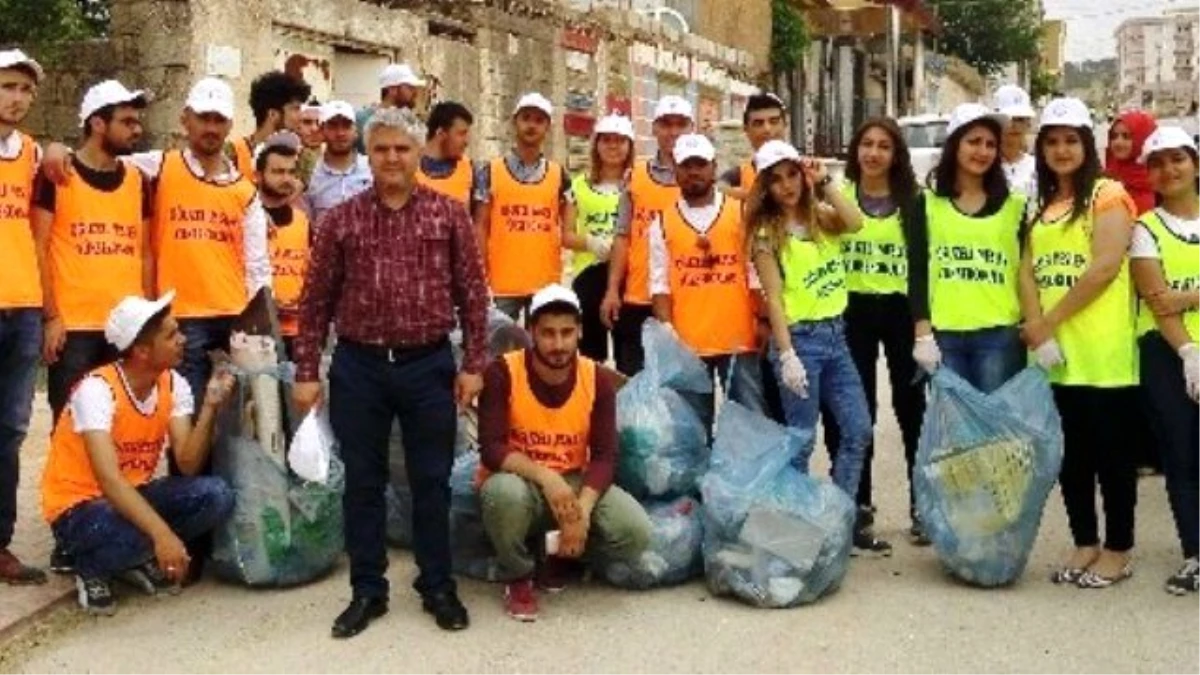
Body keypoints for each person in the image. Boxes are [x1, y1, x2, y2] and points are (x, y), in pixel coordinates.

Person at [293, 107, 488, 639]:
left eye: (402, 148)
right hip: (360, 366)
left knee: (431, 481)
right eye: (381, 149)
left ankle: (437, 585)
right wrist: (307, 371)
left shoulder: (449, 216)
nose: (393, 158)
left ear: (418, 151)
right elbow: (314, 303)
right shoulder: (341, 219)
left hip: (428, 366)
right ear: (367, 154)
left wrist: (474, 365)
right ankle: (367, 591)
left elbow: (474, 296)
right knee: (363, 483)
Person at [40, 292, 236, 615]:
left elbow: (187, 464)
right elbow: (110, 481)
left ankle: (131, 557)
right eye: (171, 334)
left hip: (132, 497)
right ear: (142, 351)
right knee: (135, 532)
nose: (183, 340)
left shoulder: (174, 384)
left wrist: (211, 407)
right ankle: (87, 565)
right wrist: (163, 536)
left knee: (218, 496)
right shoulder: (97, 390)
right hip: (78, 510)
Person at [476, 283, 651, 622]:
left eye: (567, 333)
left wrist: (582, 510)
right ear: (531, 333)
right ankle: (518, 574)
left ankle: (557, 553)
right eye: (548, 334)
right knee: (502, 494)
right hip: (522, 480)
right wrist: (546, 478)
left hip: (573, 482)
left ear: (580, 332)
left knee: (635, 533)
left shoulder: (597, 379)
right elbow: (492, 448)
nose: (558, 344)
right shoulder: (503, 372)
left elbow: (604, 456)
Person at [1020, 97, 1139, 589]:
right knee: (1071, 457)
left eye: (1070, 140)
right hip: (1054, 357)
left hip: (1104, 354)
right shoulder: (1041, 203)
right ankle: (1085, 541)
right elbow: (1025, 269)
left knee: (1112, 457)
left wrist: (1049, 322)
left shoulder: (1108, 195)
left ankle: (1118, 549)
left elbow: (1105, 268)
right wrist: (1035, 326)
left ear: (1086, 145)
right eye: (1051, 141)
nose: (1061, 150)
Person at [747, 140, 871, 519]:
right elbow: (774, 299)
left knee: (857, 429)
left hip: (836, 337)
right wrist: (786, 355)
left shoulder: (819, 216)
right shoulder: (767, 234)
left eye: (792, 175)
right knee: (801, 441)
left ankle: (838, 515)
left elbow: (856, 222)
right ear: (765, 188)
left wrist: (825, 182)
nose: (787, 186)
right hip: (801, 342)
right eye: (776, 180)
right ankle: (795, 521)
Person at [823, 118, 926, 551]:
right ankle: (857, 504)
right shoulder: (840, 197)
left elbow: (922, 265)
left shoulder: (913, 202)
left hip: (901, 311)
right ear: (855, 150)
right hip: (854, 310)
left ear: (896, 154)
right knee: (853, 409)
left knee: (913, 409)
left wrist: (925, 324)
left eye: (884, 146)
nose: (874, 153)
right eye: (866, 144)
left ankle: (924, 506)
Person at [32, 80, 152, 423]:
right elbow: (39, 246)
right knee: (71, 426)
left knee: (122, 424)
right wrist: (51, 316)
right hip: (75, 328)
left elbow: (144, 253)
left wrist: (147, 317)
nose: (137, 129)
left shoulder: (137, 179)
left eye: (137, 121)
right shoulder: (58, 175)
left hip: (125, 326)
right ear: (98, 124)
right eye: (127, 122)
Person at [905, 103, 1027, 393]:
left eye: (990, 144)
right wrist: (922, 332)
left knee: (994, 432)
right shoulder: (927, 204)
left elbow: (1025, 273)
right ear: (954, 145)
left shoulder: (1016, 206)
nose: (982, 151)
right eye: (973, 141)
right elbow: (918, 270)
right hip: (945, 335)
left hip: (999, 333)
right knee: (955, 434)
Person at [649, 133, 766, 427]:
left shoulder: (739, 213)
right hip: (688, 345)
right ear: (675, 171)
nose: (693, 172)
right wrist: (666, 330)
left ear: (714, 167)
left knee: (749, 427)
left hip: (738, 341)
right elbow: (659, 282)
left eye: (700, 164)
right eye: (686, 165)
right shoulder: (662, 222)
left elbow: (756, 273)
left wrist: (763, 320)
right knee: (693, 433)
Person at [1130, 126, 1200, 595]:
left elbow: (1174, 296)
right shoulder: (1145, 229)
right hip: (1167, 353)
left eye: (1178, 158)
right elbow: (1157, 301)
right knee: (1182, 453)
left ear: (1195, 163)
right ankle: (1195, 552)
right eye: (1157, 163)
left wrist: (1190, 294)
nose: (1169, 169)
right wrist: (1190, 354)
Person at [0, 49, 48, 586]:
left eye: (24, 89)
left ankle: (0, 543)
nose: (17, 98)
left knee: (10, 431)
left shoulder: (32, 153)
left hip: (23, 306)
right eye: (8, 86)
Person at [602, 95, 693, 375]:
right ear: (654, 128)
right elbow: (622, 236)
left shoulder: (699, 179)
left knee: (678, 391)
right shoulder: (636, 177)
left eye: (680, 125)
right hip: (637, 297)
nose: (673, 132)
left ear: (691, 128)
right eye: (666, 124)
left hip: (684, 300)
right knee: (633, 382)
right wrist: (612, 290)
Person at [473, 93, 576, 320]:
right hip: (501, 284)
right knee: (498, 352)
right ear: (515, 121)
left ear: (548, 127)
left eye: (539, 120)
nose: (532, 125)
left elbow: (569, 230)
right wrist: (480, 275)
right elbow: (480, 226)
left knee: (542, 352)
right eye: (526, 118)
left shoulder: (560, 176)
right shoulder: (490, 172)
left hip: (544, 283)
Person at [569, 114, 635, 363]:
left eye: (620, 140)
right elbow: (564, 235)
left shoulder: (637, 185)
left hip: (628, 277)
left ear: (630, 146)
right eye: (606, 140)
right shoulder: (578, 186)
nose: (613, 146)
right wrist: (591, 242)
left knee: (626, 355)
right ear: (596, 145)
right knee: (590, 355)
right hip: (588, 275)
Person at [254, 132, 309, 357]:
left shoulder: (302, 220)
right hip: (256, 332)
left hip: (297, 331)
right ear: (258, 175)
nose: (286, 178)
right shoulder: (247, 219)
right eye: (277, 172)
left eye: (290, 172)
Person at [229, 71, 311, 178]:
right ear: (272, 114)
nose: (301, 116)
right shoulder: (232, 154)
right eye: (295, 109)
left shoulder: (304, 158)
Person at [307, 100, 373, 224]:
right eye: (333, 126)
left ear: (356, 132)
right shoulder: (311, 174)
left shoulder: (372, 168)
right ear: (322, 131)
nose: (340, 133)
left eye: (346, 126)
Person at [719, 92, 788, 200]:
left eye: (774, 121)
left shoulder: (808, 172)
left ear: (785, 124)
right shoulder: (734, 179)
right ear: (746, 130)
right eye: (758, 123)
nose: (767, 129)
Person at [355, 63, 424, 154]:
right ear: (392, 90)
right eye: (409, 87)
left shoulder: (412, 123)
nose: (415, 92)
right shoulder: (361, 120)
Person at [416, 101, 475, 206]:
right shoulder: (409, 167)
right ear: (441, 133)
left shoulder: (469, 169)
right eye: (461, 133)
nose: (467, 141)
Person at [1106, 110, 1158, 215]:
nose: (1118, 142)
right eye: (1114, 136)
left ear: (1142, 139)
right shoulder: (1107, 175)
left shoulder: (1152, 181)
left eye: (1126, 136)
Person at [994, 84, 1038, 201]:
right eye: (1007, 119)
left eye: (1020, 119)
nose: (1013, 125)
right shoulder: (984, 164)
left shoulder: (1038, 167)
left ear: (1028, 124)